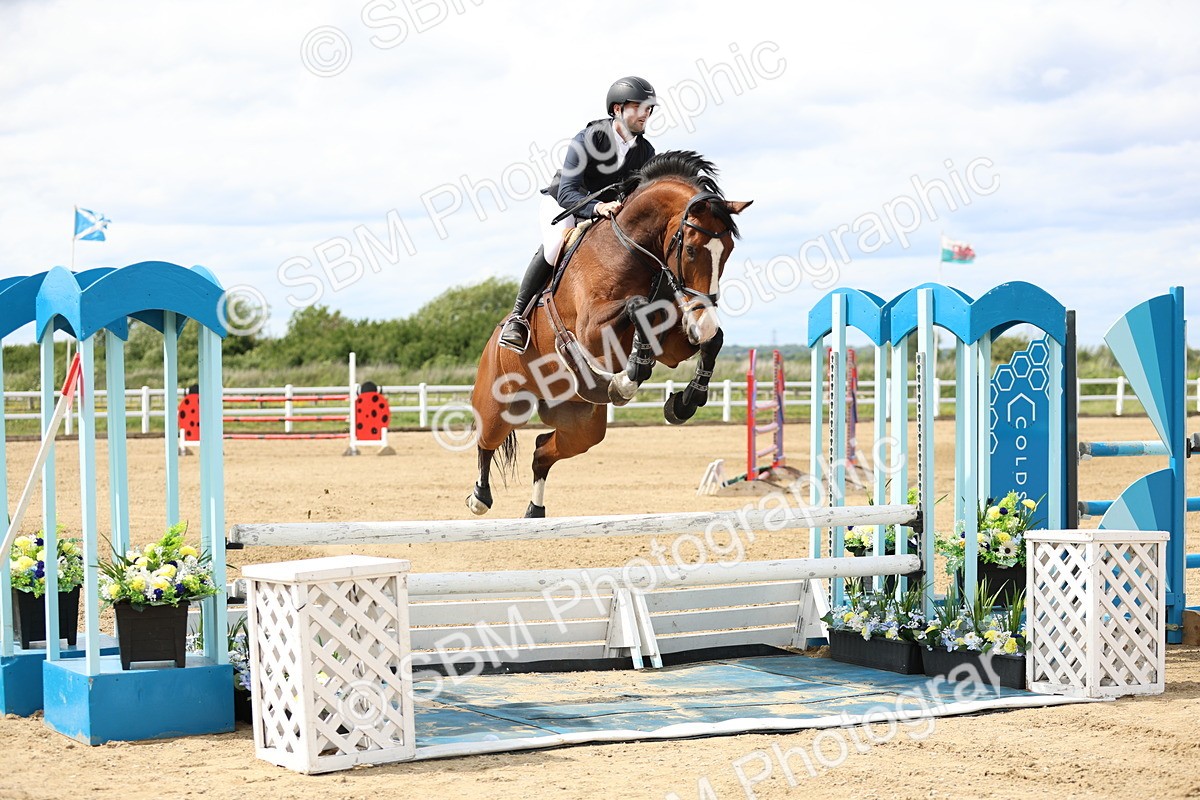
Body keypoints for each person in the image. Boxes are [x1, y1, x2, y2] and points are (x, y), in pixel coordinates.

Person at [497, 76, 658, 352]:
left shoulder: (645, 151)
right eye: (639, 106)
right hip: (564, 205)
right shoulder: (589, 138)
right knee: (555, 246)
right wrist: (596, 207)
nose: (646, 113)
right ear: (617, 109)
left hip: (606, 215)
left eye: (650, 108)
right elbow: (568, 190)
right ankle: (518, 317)